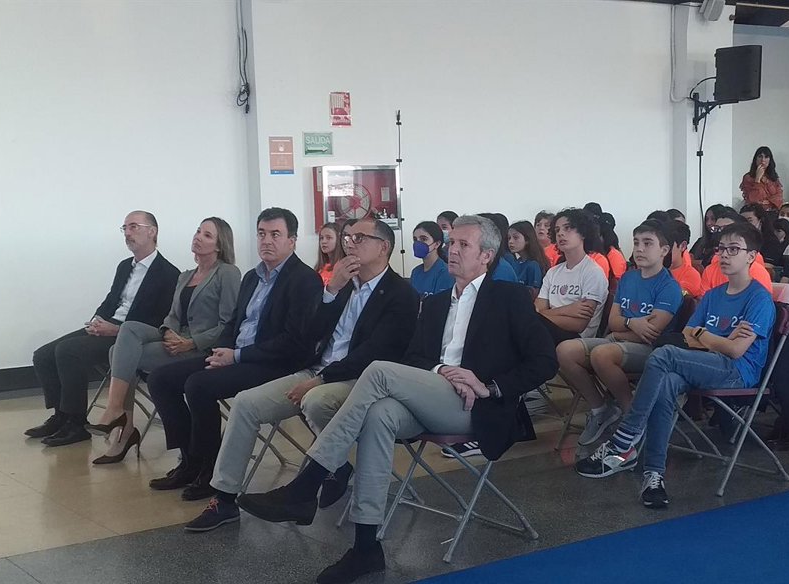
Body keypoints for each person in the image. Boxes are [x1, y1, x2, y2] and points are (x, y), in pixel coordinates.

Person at [234, 215, 557, 584]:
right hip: (432, 394)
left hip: (476, 405)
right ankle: (366, 547)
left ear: (486, 255)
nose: (452, 250)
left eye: (463, 245)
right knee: (379, 414)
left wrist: (491, 386)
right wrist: (441, 369)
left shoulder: (508, 297)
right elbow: (414, 358)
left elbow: (545, 361)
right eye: (451, 243)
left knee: (379, 371)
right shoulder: (436, 303)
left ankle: (307, 484)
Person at [183, 217, 418, 532]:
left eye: (360, 238)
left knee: (316, 400)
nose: (350, 244)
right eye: (348, 238)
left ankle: (325, 473)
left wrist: (319, 380)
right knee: (245, 404)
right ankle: (225, 499)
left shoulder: (401, 293)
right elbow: (312, 335)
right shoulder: (345, 285)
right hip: (315, 370)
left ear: (384, 247)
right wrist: (331, 291)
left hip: (358, 379)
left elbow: (373, 354)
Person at [576, 222, 775, 510]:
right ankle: (654, 475)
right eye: (721, 249)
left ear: (751, 256)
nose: (724, 255)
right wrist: (716, 338)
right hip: (705, 363)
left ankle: (625, 439)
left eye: (734, 249)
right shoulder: (713, 295)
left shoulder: (759, 298)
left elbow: (735, 350)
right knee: (667, 380)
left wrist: (704, 336)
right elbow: (687, 336)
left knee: (664, 354)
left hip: (737, 372)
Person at [146, 208, 323, 501]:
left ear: (292, 240)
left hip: (273, 363)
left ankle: (209, 469)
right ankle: (189, 461)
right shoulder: (253, 277)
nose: (267, 241)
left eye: (275, 234)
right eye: (262, 234)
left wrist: (237, 356)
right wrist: (222, 351)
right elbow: (233, 322)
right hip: (237, 354)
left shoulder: (304, 279)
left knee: (199, 385)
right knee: (161, 378)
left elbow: (294, 342)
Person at [86, 218, 243, 464]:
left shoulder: (227, 273)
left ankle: (122, 425)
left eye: (207, 235)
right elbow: (172, 316)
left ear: (219, 245)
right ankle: (117, 413)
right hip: (176, 338)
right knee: (128, 329)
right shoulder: (185, 276)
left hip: (202, 347)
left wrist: (192, 342)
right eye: (198, 231)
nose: (198, 237)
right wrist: (168, 331)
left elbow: (227, 324)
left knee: (118, 352)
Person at [26, 211, 180, 446]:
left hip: (129, 336)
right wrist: (96, 321)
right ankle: (61, 416)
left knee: (68, 352)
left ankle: (76, 424)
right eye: (125, 228)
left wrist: (117, 330)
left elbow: (160, 320)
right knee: (43, 354)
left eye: (134, 227)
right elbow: (110, 300)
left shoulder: (169, 273)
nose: (127, 233)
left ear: (152, 231)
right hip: (107, 325)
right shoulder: (124, 266)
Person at [555, 223, 683, 446]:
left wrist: (621, 332)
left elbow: (650, 334)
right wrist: (631, 323)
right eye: (636, 243)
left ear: (664, 250)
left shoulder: (668, 286)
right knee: (564, 350)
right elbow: (613, 322)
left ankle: (631, 415)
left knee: (602, 354)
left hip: (652, 351)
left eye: (647, 243)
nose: (639, 249)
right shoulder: (628, 278)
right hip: (618, 341)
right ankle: (601, 409)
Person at [536, 208, 610, 343]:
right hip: (546, 330)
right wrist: (568, 309)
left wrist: (541, 315)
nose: (560, 234)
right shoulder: (553, 272)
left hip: (576, 339)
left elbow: (579, 324)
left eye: (567, 228)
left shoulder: (593, 271)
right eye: (557, 230)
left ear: (583, 233)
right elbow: (537, 310)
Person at [701, 209, 774, 293]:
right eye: (717, 229)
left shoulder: (758, 272)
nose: (721, 233)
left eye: (727, 229)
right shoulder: (711, 270)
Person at [409, 220, 454, 298]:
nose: (418, 243)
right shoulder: (415, 272)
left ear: (437, 244)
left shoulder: (445, 272)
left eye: (423, 239)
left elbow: (441, 302)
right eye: (415, 239)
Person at [664, 219, 704, 299]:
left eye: (668, 246)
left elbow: (673, 297)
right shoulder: (651, 269)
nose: (663, 250)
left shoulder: (691, 275)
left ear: (682, 246)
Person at [504, 220, 549, 290]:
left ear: (527, 240)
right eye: (509, 238)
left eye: (515, 237)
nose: (510, 241)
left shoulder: (533, 265)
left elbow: (534, 292)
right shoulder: (514, 263)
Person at [739, 146, 784, 210]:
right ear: (755, 159)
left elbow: (779, 197)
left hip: (772, 211)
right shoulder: (748, 178)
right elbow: (752, 200)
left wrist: (769, 202)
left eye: (766, 157)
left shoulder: (773, 178)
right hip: (755, 211)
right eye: (760, 156)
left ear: (770, 160)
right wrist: (757, 179)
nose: (763, 160)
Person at [690, 204, 730, 268]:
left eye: (713, 219)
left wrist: (696, 262)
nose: (708, 223)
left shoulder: (725, 243)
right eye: (707, 219)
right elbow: (688, 259)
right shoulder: (700, 241)